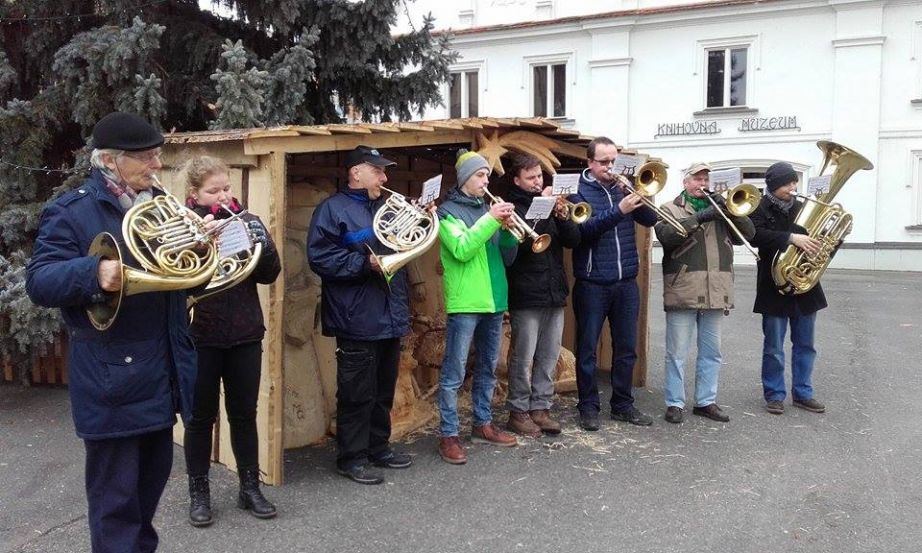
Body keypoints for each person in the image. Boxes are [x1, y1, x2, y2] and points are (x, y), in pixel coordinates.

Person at [25, 112, 200, 553]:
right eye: (146, 157)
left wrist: (199, 250)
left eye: (157, 155)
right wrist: (93, 272)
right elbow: (40, 280)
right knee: (115, 508)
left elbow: (179, 280)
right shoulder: (72, 210)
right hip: (112, 380)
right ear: (110, 160)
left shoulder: (157, 202)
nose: (156, 165)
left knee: (145, 500)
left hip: (161, 374)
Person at [180, 156, 281, 526]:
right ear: (195, 193)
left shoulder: (247, 220)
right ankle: (199, 493)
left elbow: (270, 275)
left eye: (226, 187)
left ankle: (249, 488)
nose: (223, 195)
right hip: (202, 335)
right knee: (199, 418)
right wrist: (200, 244)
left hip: (244, 333)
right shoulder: (183, 227)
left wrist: (264, 246)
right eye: (213, 190)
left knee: (244, 415)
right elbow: (182, 286)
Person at [306, 145, 414, 485]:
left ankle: (378, 447)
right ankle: (351, 457)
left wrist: (421, 216)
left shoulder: (388, 206)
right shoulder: (331, 209)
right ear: (356, 173)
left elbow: (406, 244)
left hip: (389, 311)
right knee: (355, 391)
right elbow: (320, 258)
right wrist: (362, 263)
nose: (384, 176)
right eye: (378, 170)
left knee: (383, 388)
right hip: (356, 315)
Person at [569, 136, 659, 431]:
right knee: (587, 349)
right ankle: (588, 407)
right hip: (592, 283)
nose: (611, 167)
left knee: (627, 347)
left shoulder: (624, 187)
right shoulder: (576, 192)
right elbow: (583, 233)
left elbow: (650, 220)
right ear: (590, 163)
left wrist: (636, 195)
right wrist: (619, 209)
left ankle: (622, 404)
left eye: (614, 161)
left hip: (625, 281)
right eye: (605, 162)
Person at [654, 162, 755, 424]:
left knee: (712, 351)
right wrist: (700, 217)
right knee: (677, 352)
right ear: (685, 182)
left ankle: (705, 401)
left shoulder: (722, 209)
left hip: (716, 289)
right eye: (697, 179)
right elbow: (666, 236)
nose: (703, 184)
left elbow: (749, 234)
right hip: (683, 288)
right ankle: (675, 403)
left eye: (706, 180)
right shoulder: (670, 207)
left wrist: (732, 211)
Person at [436, 149, 520, 464]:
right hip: (466, 302)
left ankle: (482, 424)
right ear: (464, 179)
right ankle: (448, 435)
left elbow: (506, 258)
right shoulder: (446, 213)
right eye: (480, 175)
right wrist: (491, 220)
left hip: (495, 299)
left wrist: (510, 233)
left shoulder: (488, 210)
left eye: (487, 174)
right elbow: (461, 249)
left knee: (488, 368)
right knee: (454, 372)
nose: (486, 180)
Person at [503, 153, 580, 437]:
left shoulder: (551, 206)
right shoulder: (511, 209)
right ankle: (518, 411)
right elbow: (519, 248)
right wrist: (543, 208)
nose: (537, 182)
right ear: (517, 180)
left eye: (540, 177)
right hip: (525, 293)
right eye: (531, 178)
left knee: (548, 356)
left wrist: (563, 216)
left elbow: (574, 241)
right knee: (523, 358)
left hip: (554, 291)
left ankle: (541, 408)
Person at [749, 162, 828, 415]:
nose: (793, 188)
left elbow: (818, 239)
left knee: (806, 344)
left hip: (805, 285)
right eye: (787, 184)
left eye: (794, 182)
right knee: (774, 346)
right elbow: (754, 235)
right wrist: (790, 238)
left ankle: (803, 393)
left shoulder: (802, 206)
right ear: (773, 186)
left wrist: (832, 236)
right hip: (774, 285)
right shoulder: (758, 206)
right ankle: (774, 394)